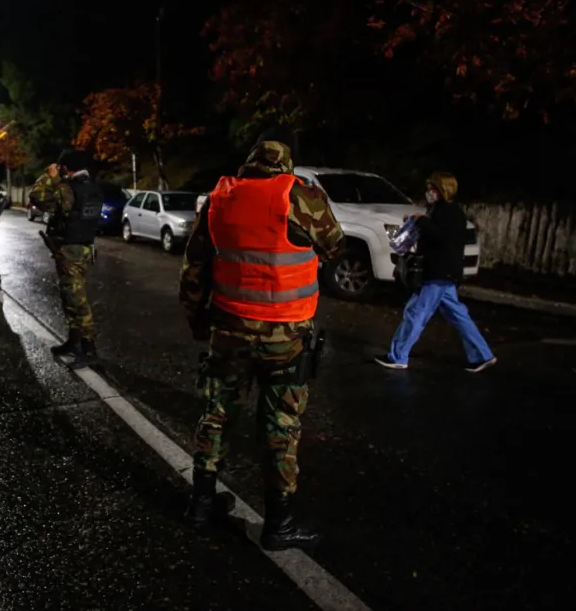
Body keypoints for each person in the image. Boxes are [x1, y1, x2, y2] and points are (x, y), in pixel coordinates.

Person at [180, 129, 345, 551]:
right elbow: (335, 245)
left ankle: (200, 504)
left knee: (216, 415)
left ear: (250, 164)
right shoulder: (299, 196)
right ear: (285, 167)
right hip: (285, 336)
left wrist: (198, 321)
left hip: (229, 330)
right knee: (281, 426)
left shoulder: (221, 197)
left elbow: (195, 267)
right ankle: (280, 523)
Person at [375, 173, 496, 372]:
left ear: (443, 190)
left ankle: (398, 356)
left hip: (438, 272)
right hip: (445, 273)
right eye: (429, 188)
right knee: (457, 315)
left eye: (433, 189)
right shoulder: (442, 210)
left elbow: (441, 237)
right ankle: (483, 355)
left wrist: (421, 221)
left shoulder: (449, 212)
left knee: (416, 313)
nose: (429, 193)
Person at [29, 150, 104, 367]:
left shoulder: (68, 189)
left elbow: (37, 197)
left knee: (77, 301)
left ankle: (89, 351)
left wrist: (50, 177)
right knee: (70, 297)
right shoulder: (91, 187)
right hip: (81, 248)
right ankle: (74, 342)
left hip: (71, 251)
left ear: (65, 167)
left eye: (60, 167)